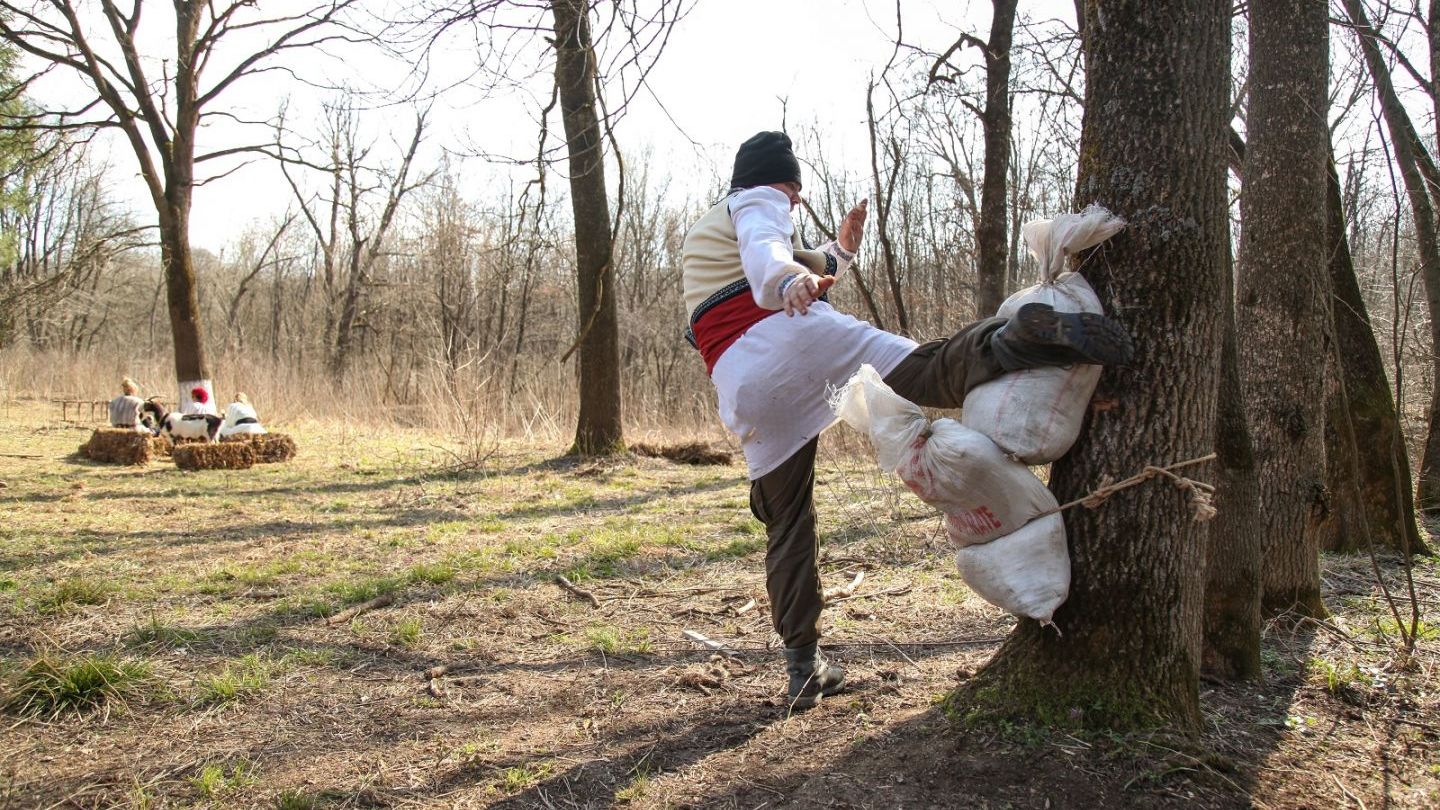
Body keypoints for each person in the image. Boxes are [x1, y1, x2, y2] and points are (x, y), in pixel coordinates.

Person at [680, 131, 1134, 709]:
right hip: (785, 336)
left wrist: (837, 254)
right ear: (770, 178)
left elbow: (790, 262)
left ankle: (803, 665)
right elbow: (766, 252)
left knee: (788, 522)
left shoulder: (704, 233)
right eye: (791, 189)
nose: (793, 202)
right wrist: (787, 281)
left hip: (742, 382)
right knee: (927, 370)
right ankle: (1017, 339)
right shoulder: (756, 202)